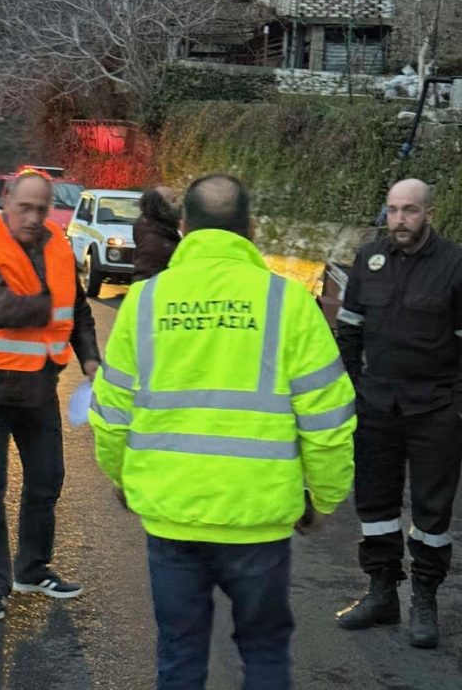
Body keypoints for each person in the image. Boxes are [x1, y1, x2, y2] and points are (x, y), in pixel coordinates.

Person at [90, 174, 356, 690]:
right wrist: (323, 497)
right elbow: (329, 420)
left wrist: (121, 475)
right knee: (263, 652)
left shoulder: (143, 302)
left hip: (172, 517)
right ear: (251, 229)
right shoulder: (290, 303)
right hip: (259, 520)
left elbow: (110, 410)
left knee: (180, 655)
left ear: (185, 227)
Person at [0, 171, 100, 621]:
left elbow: (79, 310)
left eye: (42, 208)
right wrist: (53, 299)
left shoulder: (58, 243)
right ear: (5, 202)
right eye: (25, 208)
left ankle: (32, 570)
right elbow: (2, 311)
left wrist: (89, 357)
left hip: (37, 389)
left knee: (47, 481)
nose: (34, 217)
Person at [335, 178, 462, 648]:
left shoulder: (455, 263)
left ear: (429, 212)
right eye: (392, 210)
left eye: (409, 210)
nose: (399, 220)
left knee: (432, 513)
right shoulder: (369, 260)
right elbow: (348, 331)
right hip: (376, 407)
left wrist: (457, 407)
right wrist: (349, 387)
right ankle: (381, 592)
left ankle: (424, 600)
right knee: (375, 506)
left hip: (434, 409)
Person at [132, 185, 181, 282]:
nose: (179, 203)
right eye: (174, 200)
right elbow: (145, 279)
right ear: (161, 208)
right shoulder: (154, 243)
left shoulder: (164, 231)